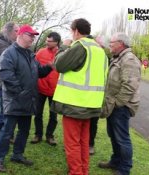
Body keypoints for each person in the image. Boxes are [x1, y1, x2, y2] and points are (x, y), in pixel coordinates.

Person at [51, 18, 108, 175]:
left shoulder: (80, 46)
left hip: (74, 104)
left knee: (72, 143)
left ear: (75, 31)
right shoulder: (99, 50)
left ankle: (76, 172)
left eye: (71, 31)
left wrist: (63, 47)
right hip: (91, 104)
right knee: (83, 141)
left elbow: (59, 65)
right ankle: (83, 171)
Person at [0, 24, 52, 172]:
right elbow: (7, 76)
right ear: (20, 34)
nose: (33, 38)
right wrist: (21, 93)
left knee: (24, 131)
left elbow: (39, 72)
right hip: (14, 101)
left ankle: (17, 154)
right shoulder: (8, 53)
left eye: (34, 36)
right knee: (7, 131)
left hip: (28, 101)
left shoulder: (30, 55)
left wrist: (50, 66)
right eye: (30, 35)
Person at [98, 32, 141, 175]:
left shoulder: (129, 59)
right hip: (114, 105)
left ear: (121, 43)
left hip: (121, 107)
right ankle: (115, 161)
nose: (110, 45)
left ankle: (124, 169)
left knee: (122, 138)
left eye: (112, 42)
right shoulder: (119, 58)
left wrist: (117, 104)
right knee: (114, 135)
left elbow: (129, 86)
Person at [0, 22, 19, 150]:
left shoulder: (9, 42)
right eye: (17, 31)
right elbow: (10, 60)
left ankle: (8, 136)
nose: (19, 33)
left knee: (10, 110)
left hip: (8, 80)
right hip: (1, 81)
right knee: (4, 111)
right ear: (9, 31)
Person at [30, 32, 61, 146]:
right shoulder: (41, 52)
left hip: (55, 90)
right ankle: (38, 135)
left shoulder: (61, 54)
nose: (47, 42)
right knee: (38, 113)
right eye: (47, 40)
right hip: (40, 88)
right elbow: (34, 67)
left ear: (56, 42)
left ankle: (50, 136)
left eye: (50, 41)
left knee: (53, 115)